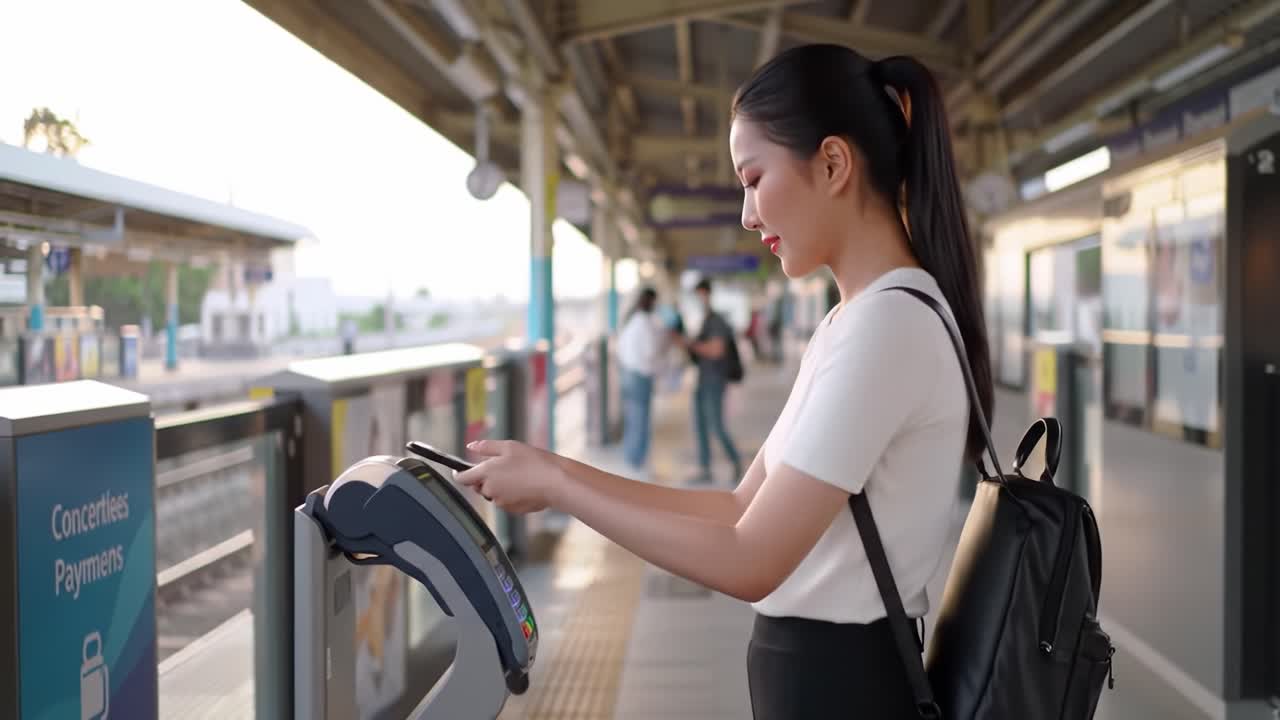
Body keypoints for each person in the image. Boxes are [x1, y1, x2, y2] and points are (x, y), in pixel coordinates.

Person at [455, 43, 993, 719]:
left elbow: (751, 558)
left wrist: (562, 489)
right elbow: (739, 509)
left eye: (754, 177)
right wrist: (555, 470)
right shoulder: (854, 322)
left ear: (832, 164)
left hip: (843, 686)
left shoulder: (888, 327)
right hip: (829, 676)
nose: (747, 214)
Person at [679, 276, 743, 484]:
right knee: (701, 425)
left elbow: (716, 350)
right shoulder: (707, 318)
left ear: (706, 294)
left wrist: (690, 344)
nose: (697, 299)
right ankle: (705, 469)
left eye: (699, 295)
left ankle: (736, 461)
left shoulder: (715, 320)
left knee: (715, 425)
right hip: (704, 378)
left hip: (714, 380)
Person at [615, 286, 669, 474]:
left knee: (632, 418)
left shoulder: (630, 321)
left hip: (628, 374)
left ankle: (631, 457)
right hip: (640, 377)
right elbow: (650, 352)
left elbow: (620, 349)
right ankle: (637, 461)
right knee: (641, 419)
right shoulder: (645, 323)